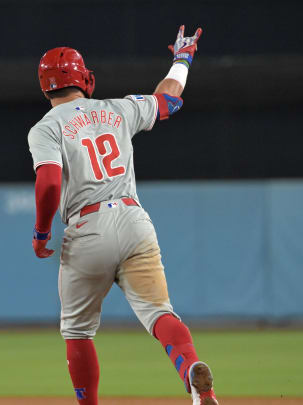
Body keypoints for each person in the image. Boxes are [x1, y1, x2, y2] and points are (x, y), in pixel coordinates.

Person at [28, 26, 218, 405]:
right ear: (85, 78)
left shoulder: (45, 128)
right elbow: (170, 101)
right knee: (159, 313)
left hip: (86, 230)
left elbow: (49, 184)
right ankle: (193, 373)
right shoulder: (119, 108)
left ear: (45, 87)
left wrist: (41, 233)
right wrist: (183, 59)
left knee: (78, 333)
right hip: (133, 221)